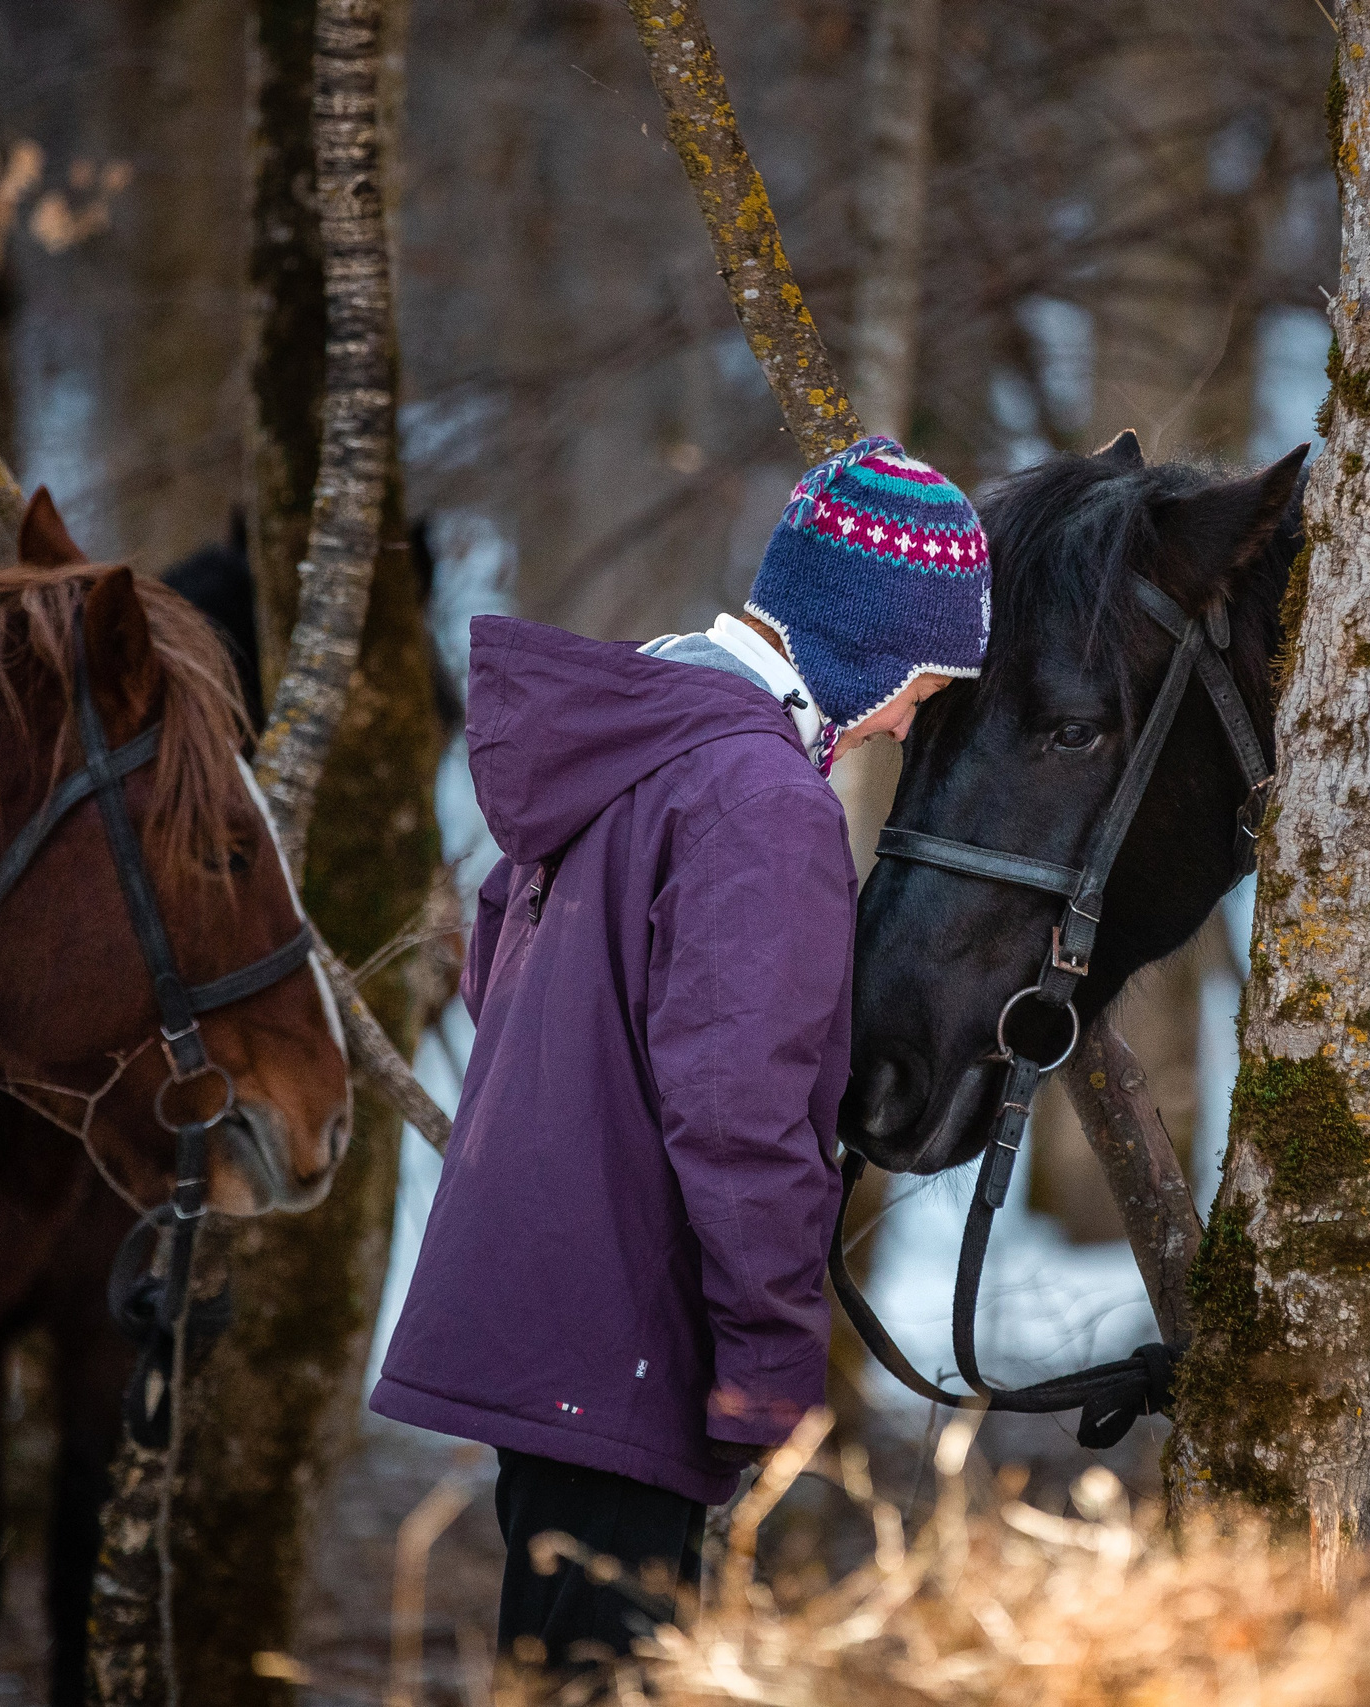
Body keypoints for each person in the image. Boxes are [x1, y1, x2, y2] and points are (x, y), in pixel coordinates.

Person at [370, 436, 991, 1673]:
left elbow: (500, 982)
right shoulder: (755, 796)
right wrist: (770, 1360)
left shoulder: (628, 747)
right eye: (919, 689)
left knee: (552, 1663)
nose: (904, 726)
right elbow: (737, 1113)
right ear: (862, 648)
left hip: (550, 1314)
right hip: (630, 1337)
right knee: (610, 1675)